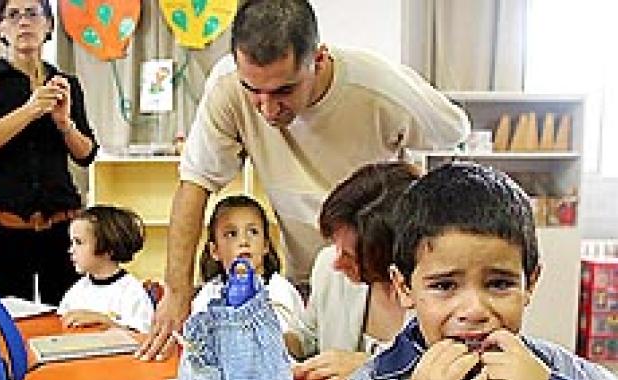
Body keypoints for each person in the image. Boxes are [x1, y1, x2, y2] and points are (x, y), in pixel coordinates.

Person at [142, 0, 469, 360]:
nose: (267, 109)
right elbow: (195, 182)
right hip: (319, 274)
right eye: (253, 90)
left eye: (284, 91)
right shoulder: (227, 87)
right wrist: (178, 293)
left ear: (319, 59)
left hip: (381, 271)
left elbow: (453, 138)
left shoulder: (380, 88)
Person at [316, 162, 618, 380]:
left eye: (499, 284)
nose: (474, 310)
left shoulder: (564, 375)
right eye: (444, 285)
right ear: (404, 287)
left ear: (530, 283)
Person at [0, 0, 98, 305]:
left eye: (33, 13)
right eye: (13, 15)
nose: (24, 22)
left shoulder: (65, 83)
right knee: (4, 320)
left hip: (62, 227)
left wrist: (64, 124)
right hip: (3, 228)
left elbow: (86, 153)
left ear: (49, 25)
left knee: (66, 317)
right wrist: (31, 109)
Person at [287, 161, 421, 380]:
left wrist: (372, 367)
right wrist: (272, 340)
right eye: (336, 246)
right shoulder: (329, 268)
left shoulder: (437, 294)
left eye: (351, 256)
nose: (337, 263)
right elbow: (309, 338)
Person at [192, 195, 304, 335]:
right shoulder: (208, 295)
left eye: (253, 232)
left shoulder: (280, 290)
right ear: (215, 250)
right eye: (231, 234)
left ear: (266, 245)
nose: (244, 241)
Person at [58, 205, 153, 333]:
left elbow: (143, 336)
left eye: (79, 242)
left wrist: (106, 322)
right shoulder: (76, 291)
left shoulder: (132, 293)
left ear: (108, 249)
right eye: (72, 242)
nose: (71, 250)